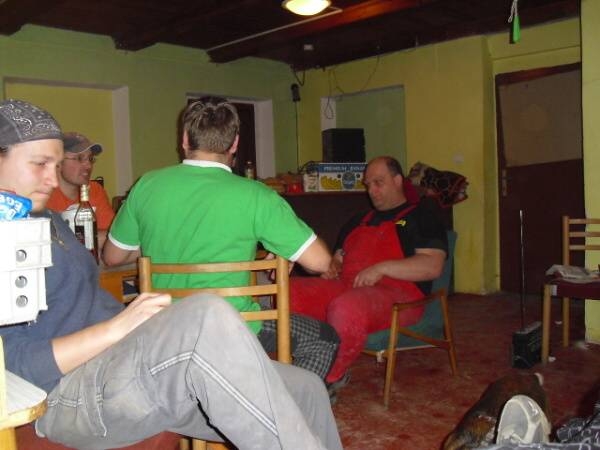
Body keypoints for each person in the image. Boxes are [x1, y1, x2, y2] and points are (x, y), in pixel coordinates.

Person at [0, 98, 343, 450]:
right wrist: (117, 328)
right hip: (63, 395)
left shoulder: (46, 219)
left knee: (307, 389)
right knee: (206, 311)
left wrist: (139, 325)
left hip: (117, 365)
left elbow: (100, 277)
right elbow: (14, 366)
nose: (52, 179)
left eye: (56, 165)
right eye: (40, 164)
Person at [103, 98, 340, 383]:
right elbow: (321, 262)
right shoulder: (257, 195)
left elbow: (113, 257)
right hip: (232, 331)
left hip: (163, 331)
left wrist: (160, 238)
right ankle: (269, 401)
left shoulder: (146, 185)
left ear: (185, 139)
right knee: (324, 339)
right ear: (235, 143)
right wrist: (284, 251)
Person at [289, 156, 448, 393]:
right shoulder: (358, 220)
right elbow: (338, 258)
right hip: (348, 285)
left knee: (347, 307)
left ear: (397, 180)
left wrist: (381, 268)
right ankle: (287, 367)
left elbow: (432, 266)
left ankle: (330, 378)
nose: (371, 191)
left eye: (378, 183)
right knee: (287, 292)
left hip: (400, 294)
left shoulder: (421, 216)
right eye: (368, 184)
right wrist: (332, 266)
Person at [46, 131, 115, 247]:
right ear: (58, 163)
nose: (88, 165)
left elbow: (113, 237)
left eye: (90, 159)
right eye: (79, 158)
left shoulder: (95, 190)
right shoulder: (43, 194)